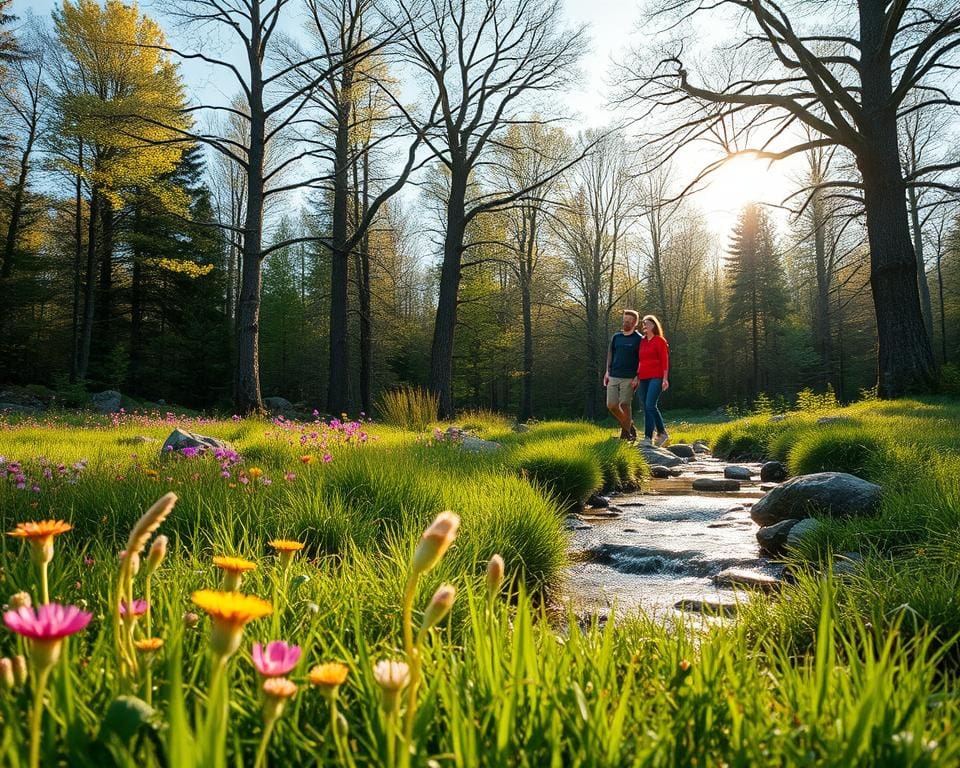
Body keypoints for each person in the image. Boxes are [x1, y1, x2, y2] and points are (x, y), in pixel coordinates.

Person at [603, 310, 642, 440]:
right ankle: (629, 426)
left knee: (625, 404)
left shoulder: (639, 339)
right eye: (624, 320)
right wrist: (607, 371)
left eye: (628, 321)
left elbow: (642, 359)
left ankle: (625, 434)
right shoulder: (616, 337)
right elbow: (610, 354)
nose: (625, 322)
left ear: (634, 323)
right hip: (613, 375)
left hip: (629, 377)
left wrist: (638, 376)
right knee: (611, 405)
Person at [636, 314, 670, 446]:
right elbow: (639, 360)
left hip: (656, 377)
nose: (644, 325)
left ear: (653, 326)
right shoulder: (642, 341)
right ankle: (662, 433)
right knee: (647, 407)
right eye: (643, 323)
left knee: (650, 405)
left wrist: (665, 379)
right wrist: (636, 377)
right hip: (643, 377)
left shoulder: (659, 340)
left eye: (647, 323)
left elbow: (665, 361)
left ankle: (647, 438)